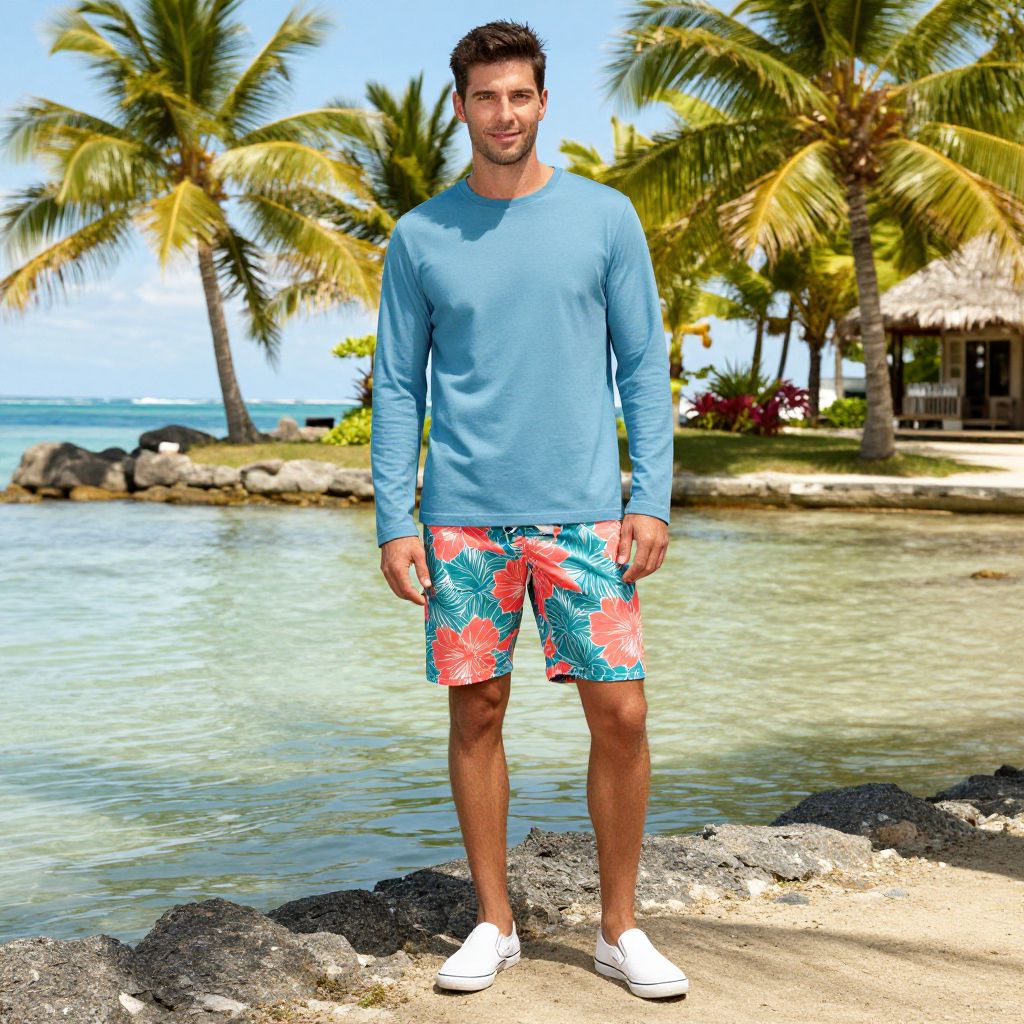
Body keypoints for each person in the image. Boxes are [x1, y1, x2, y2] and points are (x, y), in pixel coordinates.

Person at [370, 19, 688, 1001]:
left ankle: (619, 928)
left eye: (519, 95)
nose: (502, 113)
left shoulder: (604, 218)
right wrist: (394, 517)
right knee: (478, 710)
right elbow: (396, 386)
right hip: (463, 516)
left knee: (622, 712)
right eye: (484, 96)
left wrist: (650, 498)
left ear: (543, 103)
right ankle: (493, 921)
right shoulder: (421, 235)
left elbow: (641, 362)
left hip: (588, 515)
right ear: (459, 106)